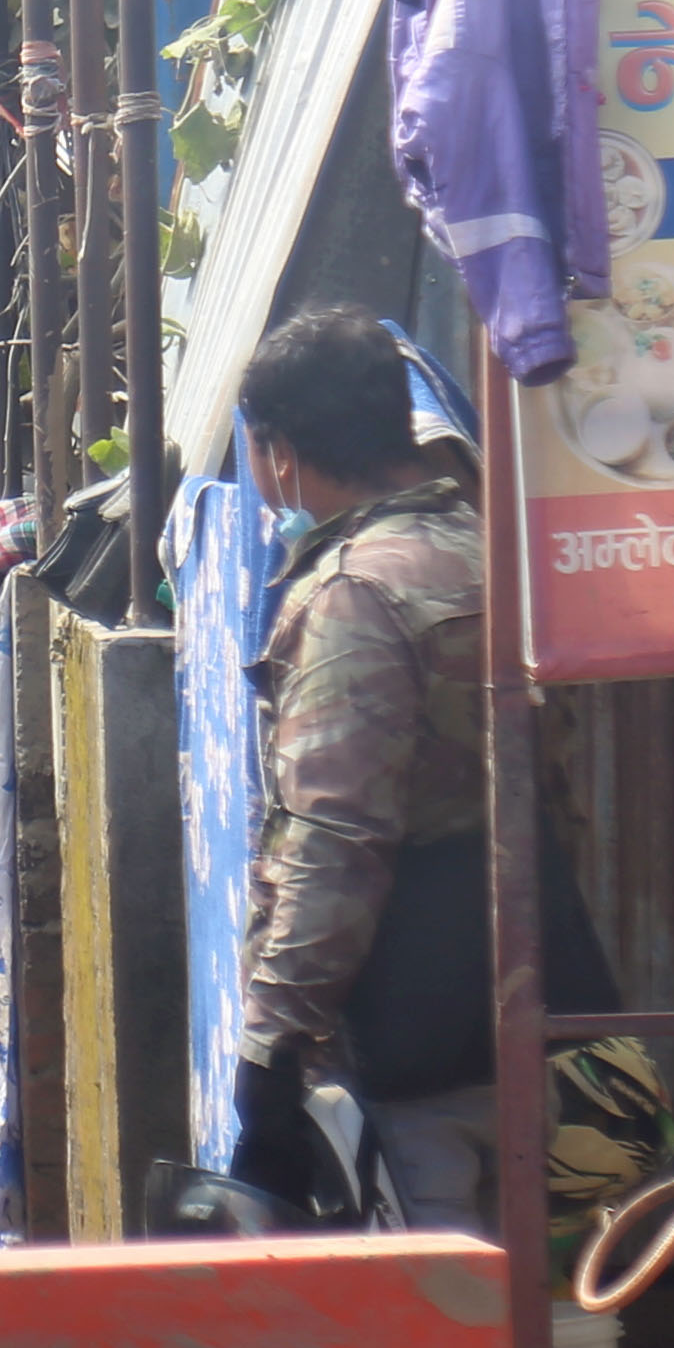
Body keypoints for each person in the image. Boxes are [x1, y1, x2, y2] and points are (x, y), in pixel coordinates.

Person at [229, 302, 596, 1236]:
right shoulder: (491, 553)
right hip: (536, 1000)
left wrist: (271, 1048)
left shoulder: (354, 593)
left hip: (408, 1040)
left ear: (278, 453)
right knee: (546, 1324)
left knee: (434, 1327)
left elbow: (334, 841)